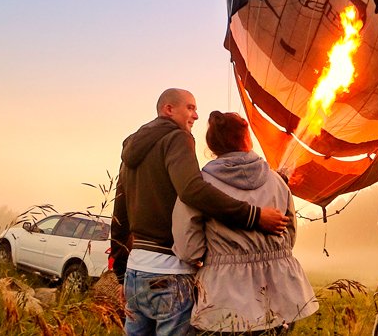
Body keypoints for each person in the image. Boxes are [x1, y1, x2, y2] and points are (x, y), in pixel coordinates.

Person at [111, 89, 290, 336]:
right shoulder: (177, 137)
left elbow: (119, 214)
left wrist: (121, 274)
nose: (195, 115)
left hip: (135, 271)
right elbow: (192, 190)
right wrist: (254, 216)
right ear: (168, 109)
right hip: (171, 271)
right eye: (190, 108)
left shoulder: (131, 150)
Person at [173, 111, 318, 334]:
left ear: (212, 145)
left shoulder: (200, 186)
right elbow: (289, 234)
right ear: (247, 138)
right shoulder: (277, 181)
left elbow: (188, 246)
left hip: (224, 297)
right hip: (280, 294)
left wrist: (209, 258)